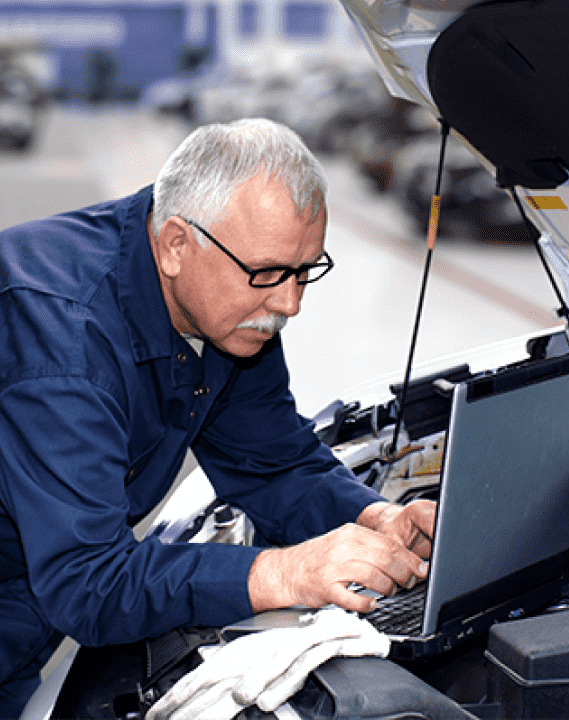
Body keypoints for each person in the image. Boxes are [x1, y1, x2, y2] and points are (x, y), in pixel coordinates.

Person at [0, 118, 435, 716]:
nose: (290, 303)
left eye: (306, 270)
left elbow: (275, 463)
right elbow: (88, 582)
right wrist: (282, 574)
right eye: (268, 273)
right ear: (178, 244)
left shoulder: (223, 310)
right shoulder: (64, 343)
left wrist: (374, 519)